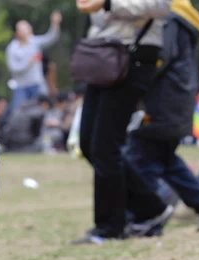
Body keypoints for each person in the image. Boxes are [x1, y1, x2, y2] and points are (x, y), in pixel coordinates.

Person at [124, 0, 199, 234]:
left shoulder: (169, 19)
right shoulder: (180, 17)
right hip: (175, 100)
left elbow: (159, 58)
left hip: (164, 102)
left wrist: (132, 74)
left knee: (138, 158)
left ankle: (147, 217)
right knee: (165, 161)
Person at [73, 0, 171, 245]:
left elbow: (160, 5)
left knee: (105, 146)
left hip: (133, 58)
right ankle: (151, 209)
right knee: (87, 143)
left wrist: (108, 3)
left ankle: (110, 227)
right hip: (104, 55)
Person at [5, 11, 62, 113]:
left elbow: (50, 38)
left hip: (37, 85)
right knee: (18, 112)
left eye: (27, 27)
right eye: (23, 28)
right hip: (21, 87)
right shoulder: (12, 48)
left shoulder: (34, 42)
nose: (27, 29)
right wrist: (29, 63)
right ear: (17, 32)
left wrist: (55, 24)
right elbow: (13, 68)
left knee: (42, 111)